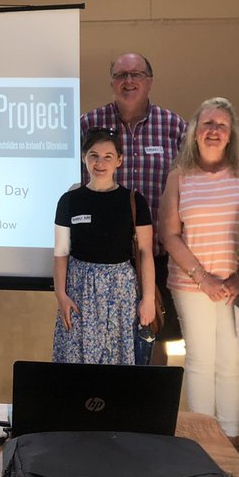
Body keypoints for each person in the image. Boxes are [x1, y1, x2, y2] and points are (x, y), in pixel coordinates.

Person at [159, 98, 239, 454]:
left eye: (221, 125)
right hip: (192, 283)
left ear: (231, 135)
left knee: (233, 359)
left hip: (238, 284)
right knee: (200, 358)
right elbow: (169, 233)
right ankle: (204, 440)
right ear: (194, 132)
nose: (213, 131)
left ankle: (231, 439)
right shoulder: (179, 175)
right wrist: (204, 278)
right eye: (207, 124)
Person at [80, 53, 187, 360]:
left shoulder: (175, 126)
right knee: (104, 344)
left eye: (136, 74)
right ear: (112, 82)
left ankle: (149, 406)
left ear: (149, 81)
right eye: (120, 75)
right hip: (104, 261)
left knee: (154, 338)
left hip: (157, 256)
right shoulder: (89, 124)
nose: (128, 81)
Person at [52, 127, 155, 365]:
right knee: (76, 360)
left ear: (119, 160)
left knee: (118, 362)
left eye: (108, 156)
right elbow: (61, 252)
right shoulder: (69, 201)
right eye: (93, 155)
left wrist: (147, 298)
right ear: (83, 158)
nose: (100, 162)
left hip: (121, 292)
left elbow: (145, 252)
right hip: (79, 290)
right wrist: (61, 295)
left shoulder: (134, 201)